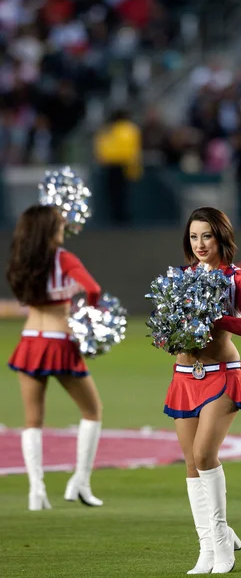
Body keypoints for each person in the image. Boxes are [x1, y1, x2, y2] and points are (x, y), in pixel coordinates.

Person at [162, 207, 241, 574]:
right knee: (191, 464)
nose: (200, 244)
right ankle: (206, 547)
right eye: (193, 237)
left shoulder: (237, 279)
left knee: (205, 454)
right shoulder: (180, 279)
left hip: (222, 373)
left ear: (221, 236)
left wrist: (216, 318)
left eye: (206, 235)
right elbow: (170, 328)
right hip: (184, 375)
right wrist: (168, 334)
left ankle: (222, 544)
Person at [6, 205, 103, 511]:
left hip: (30, 341)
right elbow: (93, 289)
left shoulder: (24, 261)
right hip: (59, 341)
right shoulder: (64, 259)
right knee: (92, 410)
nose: (63, 229)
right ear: (48, 230)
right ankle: (81, 481)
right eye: (59, 225)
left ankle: (37, 491)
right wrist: (87, 315)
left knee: (32, 420)